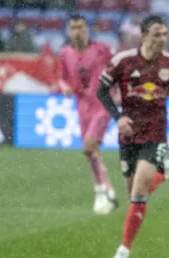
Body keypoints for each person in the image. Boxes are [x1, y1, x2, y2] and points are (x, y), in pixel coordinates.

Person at [97, 15, 169, 258]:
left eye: (165, 34)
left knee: (138, 192)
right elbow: (101, 90)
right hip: (128, 134)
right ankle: (163, 174)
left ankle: (123, 250)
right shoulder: (124, 61)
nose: (163, 39)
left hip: (155, 133)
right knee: (133, 195)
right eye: (157, 34)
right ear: (145, 35)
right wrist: (118, 118)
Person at [58, 14, 118, 215]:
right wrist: (65, 87)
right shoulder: (65, 53)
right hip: (82, 108)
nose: (77, 31)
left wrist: (117, 93)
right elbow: (62, 78)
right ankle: (106, 190)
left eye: (81, 27)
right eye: (73, 27)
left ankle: (100, 191)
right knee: (91, 153)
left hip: (102, 105)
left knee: (89, 146)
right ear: (69, 30)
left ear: (87, 29)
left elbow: (116, 71)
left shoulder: (101, 49)